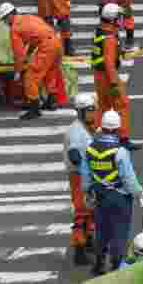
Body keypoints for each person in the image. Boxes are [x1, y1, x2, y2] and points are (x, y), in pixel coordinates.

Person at [82, 109, 143, 274]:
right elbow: (128, 178)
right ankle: (117, 264)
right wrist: (138, 193)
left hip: (99, 195)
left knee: (102, 229)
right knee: (120, 230)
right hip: (119, 196)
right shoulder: (120, 151)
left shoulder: (90, 149)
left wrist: (88, 192)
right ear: (117, 129)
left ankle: (99, 263)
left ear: (102, 127)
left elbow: (86, 175)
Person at [0, 2, 63, 119]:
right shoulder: (29, 17)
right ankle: (52, 101)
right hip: (57, 41)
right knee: (50, 72)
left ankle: (34, 109)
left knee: (31, 76)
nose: (4, 23)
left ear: (9, 16)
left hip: (47, 47)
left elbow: (18, 54)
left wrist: (18, 71)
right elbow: (35, 38)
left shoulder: (15, 29)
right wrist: (28, 54)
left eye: (4, 19)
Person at [92, 3, 135, 149]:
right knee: (122, 104)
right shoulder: (110, 37)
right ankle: (123, 138)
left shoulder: (102, 31)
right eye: (119, 17)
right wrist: (114, 84)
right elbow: (109, 63)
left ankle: (97, 136)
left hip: (99, 75)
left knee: (103, 106)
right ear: (113, 20)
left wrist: (120, 52)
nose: (122, 20)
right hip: (108, 76)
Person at [64, 92, 98, 266]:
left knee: (90, 209)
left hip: (86, 175)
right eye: (88, 111)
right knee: (81, 211)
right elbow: (74, 154)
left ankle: (88, 240)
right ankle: (79, 249)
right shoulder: (77, 131)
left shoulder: (86, 127)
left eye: (93, 110)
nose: (92, 114)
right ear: (80, 112)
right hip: (79, 176)